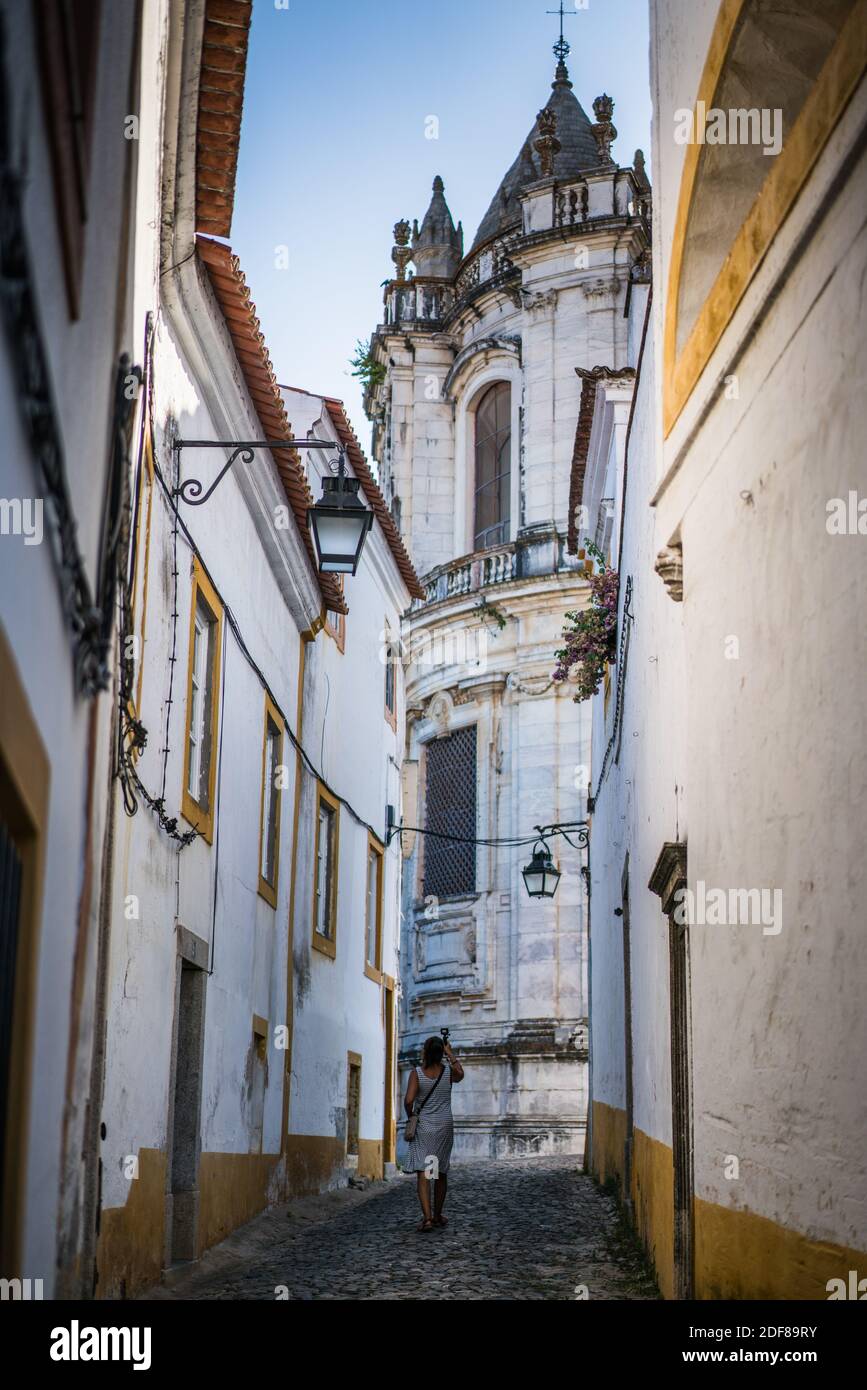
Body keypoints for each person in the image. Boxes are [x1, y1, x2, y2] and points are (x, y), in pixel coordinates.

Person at [403, 1035, 464, 1232]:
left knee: (425, 1172)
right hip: (445, 1127)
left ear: (425, 1052)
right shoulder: (447, 1072)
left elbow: (409, 1100)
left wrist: (412, 1116)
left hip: (426, 1128)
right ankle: (437, 1215)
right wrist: (450, 1054)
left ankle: (428, 1218)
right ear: (440, 1053)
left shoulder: (418, 1073)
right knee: (440, 1172)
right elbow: (460, 1075)